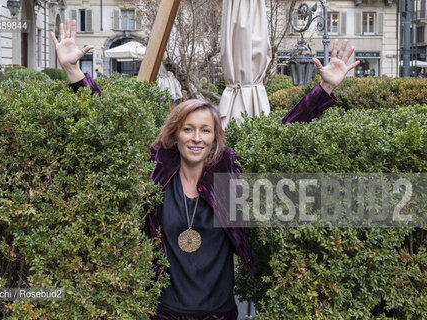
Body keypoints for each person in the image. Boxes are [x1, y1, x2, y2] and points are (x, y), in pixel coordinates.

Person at [51, 19, 359, 319]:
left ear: (215, 138)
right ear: (175, 133)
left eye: (205, 131)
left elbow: (282, 136)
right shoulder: (157, 167)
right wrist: (73, 71)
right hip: (163, 311)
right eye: (188, 129)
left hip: (219, 312)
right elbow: (113, 131)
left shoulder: (227, 170)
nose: (196, 138)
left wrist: (324, 88)